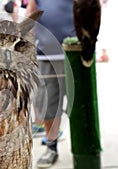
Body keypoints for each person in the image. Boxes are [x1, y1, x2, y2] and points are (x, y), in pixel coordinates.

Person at [26, 0, 75, 168]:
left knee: (79, 103)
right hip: (44, 53)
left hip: (74, 52)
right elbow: (30, 14)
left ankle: (83, 146)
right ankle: (51, 148)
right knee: (48, 104)